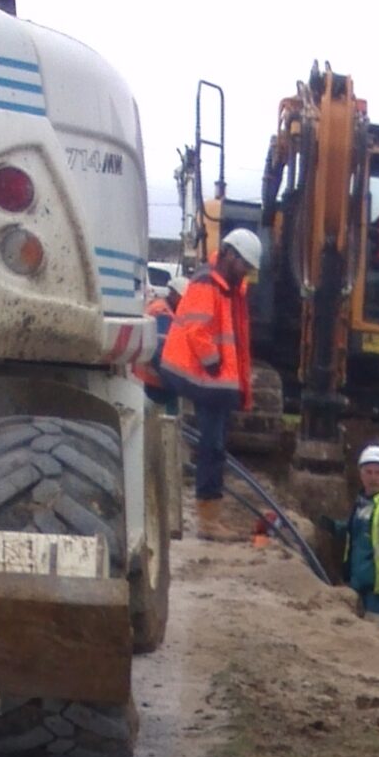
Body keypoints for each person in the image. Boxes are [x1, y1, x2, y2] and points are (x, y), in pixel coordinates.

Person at [160, 227, 260, 536]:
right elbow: (198, 329)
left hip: (216, 381)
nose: (246, 273)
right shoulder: (208, 283)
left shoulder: (228, 286)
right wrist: (213, 362)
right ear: (230, 255)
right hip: (206, 377)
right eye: (245, 265)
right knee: (211, 445)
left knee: (215, 446)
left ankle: (210, 515)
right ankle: (207, 519)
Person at [327, 444, 379, 658]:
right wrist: (335, 527)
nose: (373, 477)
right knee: (364, 643)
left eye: (378, 472)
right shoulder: (362, 503)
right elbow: (357, 531)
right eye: (368, 472)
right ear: (360, 473)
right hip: (359, 585)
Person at [133, 278, 180, 409]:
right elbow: (159, 350)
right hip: (154, 379)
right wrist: (171, 378)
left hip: (149, 376)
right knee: (155, 415)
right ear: (174, 294)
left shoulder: (162, 307)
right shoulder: (163, 313)